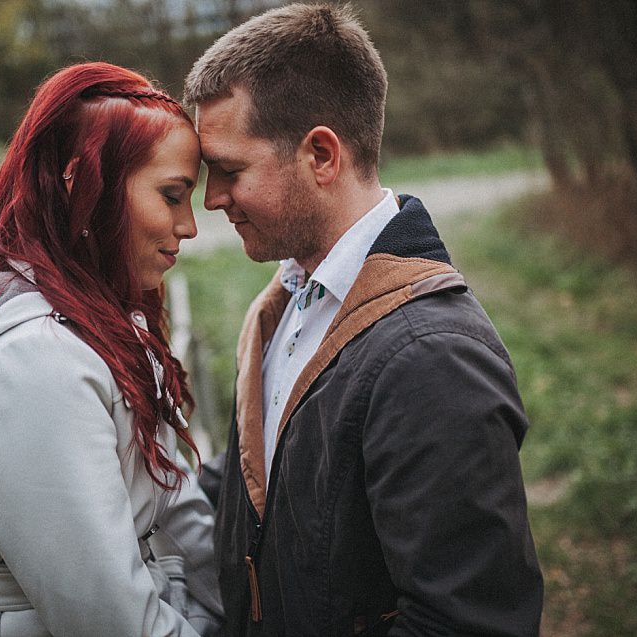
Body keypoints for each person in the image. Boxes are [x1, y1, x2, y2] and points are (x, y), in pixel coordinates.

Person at [184, 4, 544, 635]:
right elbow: (252, 489)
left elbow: (467, 624)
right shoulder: (284, 308)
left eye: (230, 170)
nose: (211, 198)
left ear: (321, 155)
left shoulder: (432, 360)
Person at [0, 62, 223, 636]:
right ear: (80, 185)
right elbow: (109, 619)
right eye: (172, 195)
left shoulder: (101, 316)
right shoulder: (33, 367)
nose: (189, 226)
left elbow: (170, 494)